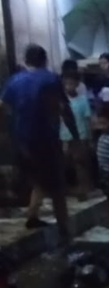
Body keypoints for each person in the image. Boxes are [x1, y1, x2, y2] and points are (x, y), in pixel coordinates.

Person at [0, 44, 79, 240]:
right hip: (46, 139)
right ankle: (64, 230)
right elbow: (64, 109)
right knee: (57, 186)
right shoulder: (51, 79)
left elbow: (2, 107)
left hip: (22, 140)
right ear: (44, 60)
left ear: (26, 61)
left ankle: (32, 215)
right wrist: (75, 135)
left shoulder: (14, 81)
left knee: (38, 179)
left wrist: (6, 135)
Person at [60, 71, 93, 200]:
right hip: (64, 136)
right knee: (66, 164)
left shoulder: (82, 100)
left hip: (80, 135)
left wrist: (90, 138)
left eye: (71, 84)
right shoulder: (61, 101)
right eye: (66, 84)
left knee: (80, 164)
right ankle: (68, 188)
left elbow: (88, 119)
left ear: (77, 84)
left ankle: (83, 189)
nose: (69, 86)